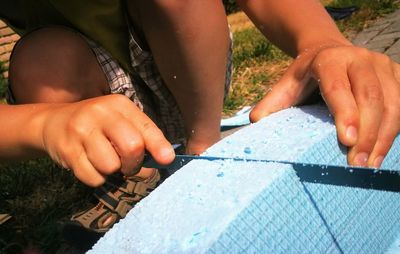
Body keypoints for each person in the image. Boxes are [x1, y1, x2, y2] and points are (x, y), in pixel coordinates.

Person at [0, 0, 399, 239]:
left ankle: (203, 143)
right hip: (87, 99)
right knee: (41, 58)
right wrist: (42, 123)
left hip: (186, 72)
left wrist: (321, 40)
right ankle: (129, 174)